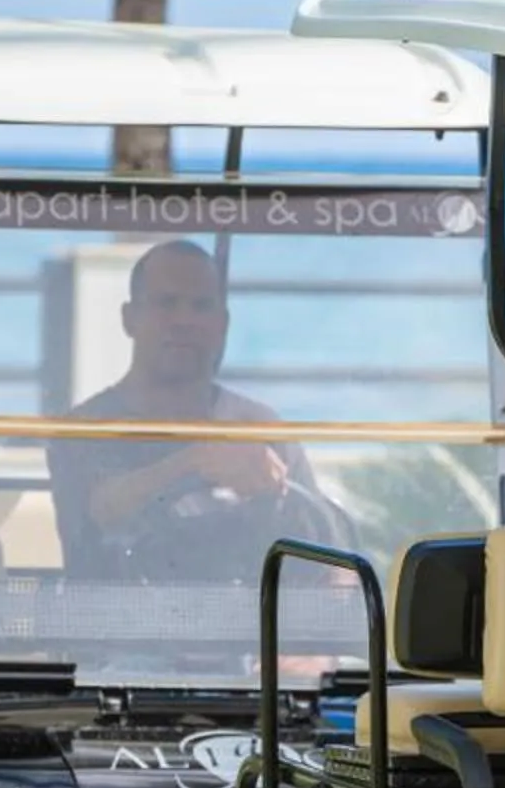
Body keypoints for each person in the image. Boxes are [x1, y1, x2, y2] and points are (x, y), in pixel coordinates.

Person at [47, 240, 333, 579]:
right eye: (167, 303)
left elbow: (323, 556)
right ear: (129, 319)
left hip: (249, 625)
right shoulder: (85, 428)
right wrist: (195, 461)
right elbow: (99, 512)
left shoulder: (261, 427)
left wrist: (273, 493)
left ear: (222, 325)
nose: (184, 320)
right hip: (121, 624)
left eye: (201, 306)